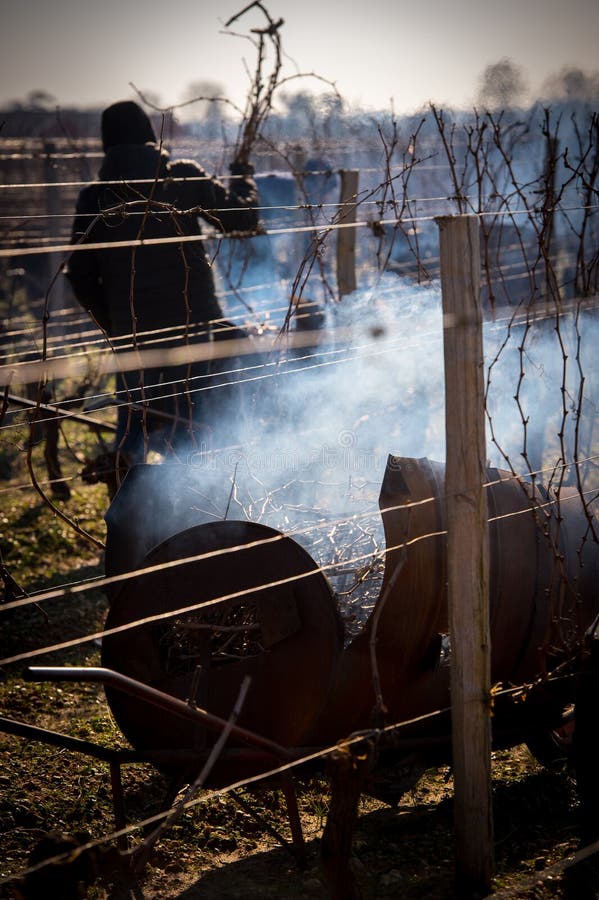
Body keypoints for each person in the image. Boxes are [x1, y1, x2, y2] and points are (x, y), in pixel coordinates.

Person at [66, 100, 259, 463]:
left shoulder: (94, 197)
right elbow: (243, 219)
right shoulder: (181, 176)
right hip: (195, 327)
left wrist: (119, 327)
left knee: (133, 435)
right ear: (149, 136)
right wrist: (243, 176)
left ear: (105, 144)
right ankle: (196, 507)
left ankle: (128, 506)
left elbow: (80, 276)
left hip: (134, 336)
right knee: (196, 427)